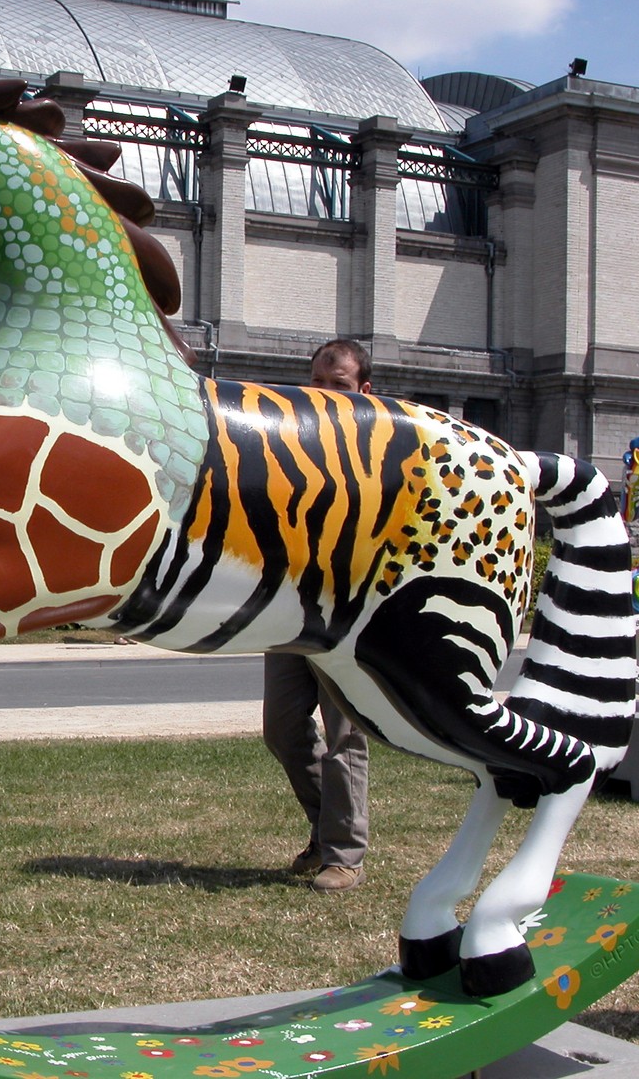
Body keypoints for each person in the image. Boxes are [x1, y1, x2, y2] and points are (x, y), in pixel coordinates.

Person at [263, 339, 372, 893]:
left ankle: (343, 854)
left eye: (340, 385)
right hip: (288, 605)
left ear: (363, 392)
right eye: (317, 383)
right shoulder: (289, 444)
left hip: (346, 611)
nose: (325, 395)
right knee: (281, 728)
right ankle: (324, 828)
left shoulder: (380, 449)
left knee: (343, 732)